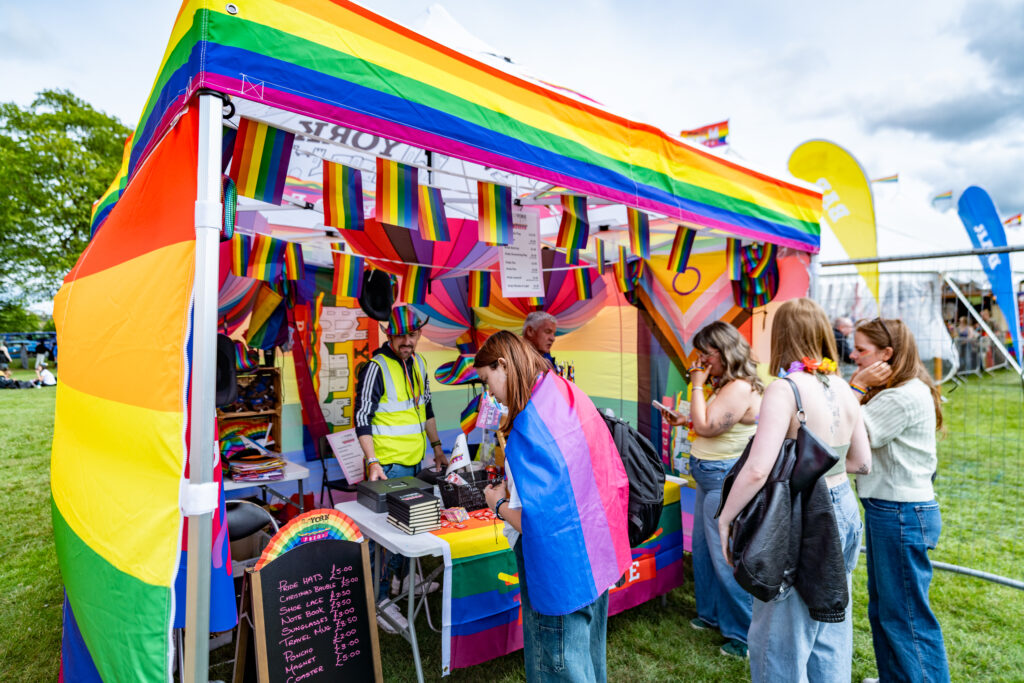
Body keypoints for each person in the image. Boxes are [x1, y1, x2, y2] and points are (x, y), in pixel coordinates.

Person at [716, 298, 871, 682]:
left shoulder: (785, 389)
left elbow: (756, 470)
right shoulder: (844, 387)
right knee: (831, 619)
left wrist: (725, 518)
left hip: (803, 514)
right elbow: (861, 462)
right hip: (845, 507)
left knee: (778, 636)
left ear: (782, 335)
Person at [477, 331, 631, 682]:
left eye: (487, 382)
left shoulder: (529, 426)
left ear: (503, 365)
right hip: (595, 555)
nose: (489, 394)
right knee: (588, 658)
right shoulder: (565, 392)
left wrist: (497, 503)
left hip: (561, 573)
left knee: (560, 666)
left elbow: (538, 523)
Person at [849, 318, 951, 683]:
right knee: (886, 609)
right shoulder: (903, 389)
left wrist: (855, 387)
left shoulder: (901, 395)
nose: (853, 354)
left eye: (861, 349)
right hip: (891, 511)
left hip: (901, 514)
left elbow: (849, 433)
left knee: (906, 615)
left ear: (887, 353)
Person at [659, 322, 762, 659]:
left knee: (723, 555)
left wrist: (696, 385)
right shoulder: (726, 383)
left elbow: (707, 426)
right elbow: (708, 423)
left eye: (707, 353)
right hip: (708, 477)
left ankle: (744, 634)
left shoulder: (739, 387)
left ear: (724, 350)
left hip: (723, 478)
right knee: (703, 552)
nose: (701, 360)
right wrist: (684, 420)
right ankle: (711, 614)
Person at [353, 304, 446, 625]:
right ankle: (378, 600)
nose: (408, 341)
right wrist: (373, 461)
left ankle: (403, 581)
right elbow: (361, 417)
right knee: (382, 539)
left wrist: (437, 448)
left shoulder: (419, 363)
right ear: (388, 333)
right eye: (401, 335)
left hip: (416, 463)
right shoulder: (375, 368)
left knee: (409, 529)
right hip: (387, 468)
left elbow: (427, 409)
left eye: (413, 334)